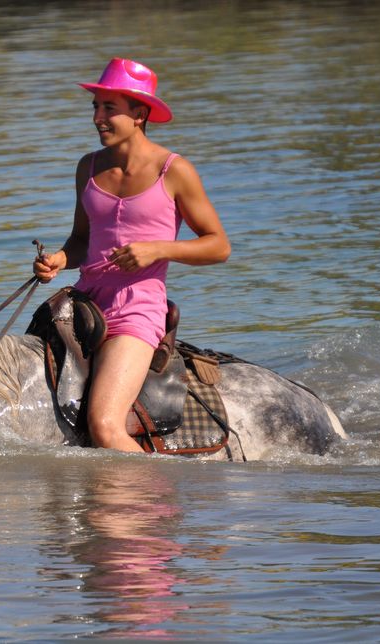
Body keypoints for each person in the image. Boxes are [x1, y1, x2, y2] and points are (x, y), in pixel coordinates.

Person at [33, 58, 230, 452]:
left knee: (104, 426)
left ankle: (151, 500)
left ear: (140, 114)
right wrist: (58, 258)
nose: (97, 118)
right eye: (95, 107)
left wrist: (156, 249)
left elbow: (218, 245)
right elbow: (81, 239)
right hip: (84, 304)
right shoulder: (87, 167)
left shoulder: (174, 171)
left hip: (136, 310)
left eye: (109, 109)